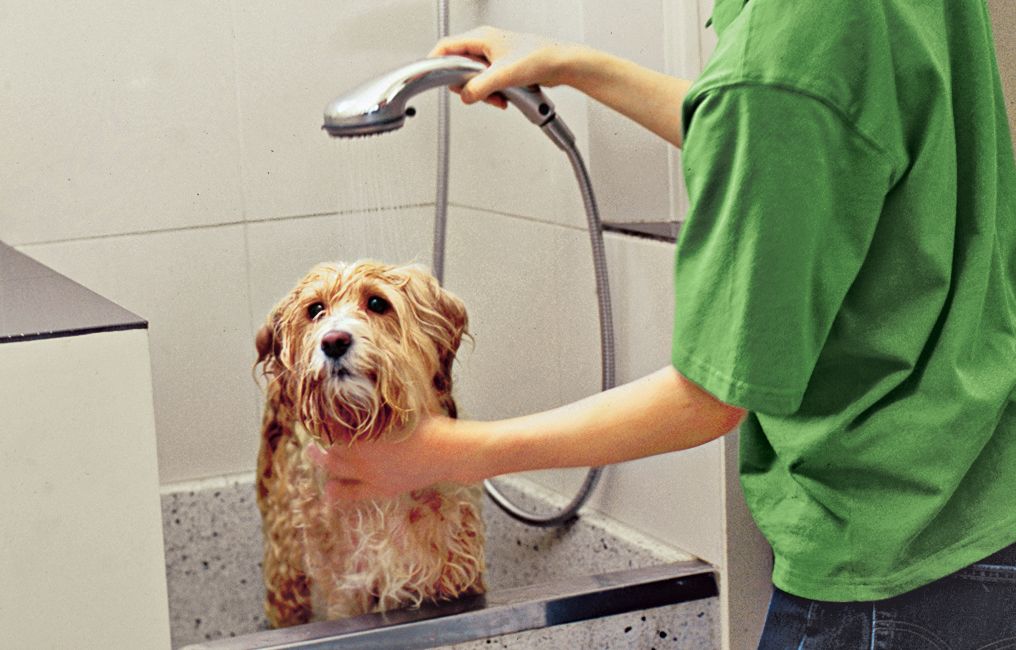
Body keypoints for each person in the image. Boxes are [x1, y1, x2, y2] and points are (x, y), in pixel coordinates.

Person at [308, 1, 1016, 646]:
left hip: (886, 565)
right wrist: (573, 63)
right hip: (985, 499)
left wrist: (446, 453)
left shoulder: (780, 53)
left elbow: (708, 397)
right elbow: (797, 130)